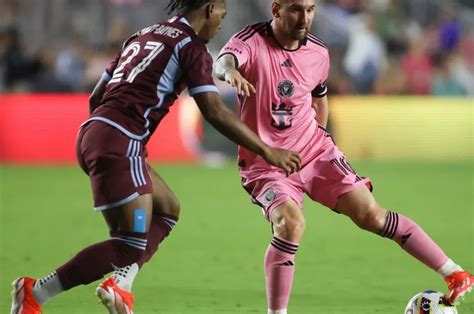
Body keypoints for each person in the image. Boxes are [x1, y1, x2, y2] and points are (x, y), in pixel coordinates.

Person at [10, 1, 302, 313]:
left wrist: (107, 142)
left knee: (167, 209)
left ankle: (120, 287)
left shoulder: (143, 35)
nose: (220, 23)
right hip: (119, 143)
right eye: (221, 15)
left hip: (97, 133)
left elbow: (97, 96)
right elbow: (214, 110)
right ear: (210, 8)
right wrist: (267, 150)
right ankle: (35, 292)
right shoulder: (191, 46)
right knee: (128, 246)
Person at [213, 1, 473, 313]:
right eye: (296, 9)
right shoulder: (251, 41)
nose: (304, 17)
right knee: (290, 224)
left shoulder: (318, 53)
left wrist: (314, 144)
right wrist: (230, 72)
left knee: (371, 216)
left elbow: (319, 99)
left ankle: (455, 273)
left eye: (310, 9)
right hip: (266, 164)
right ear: (277, 9)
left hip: (314, 153)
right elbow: (223, 61)